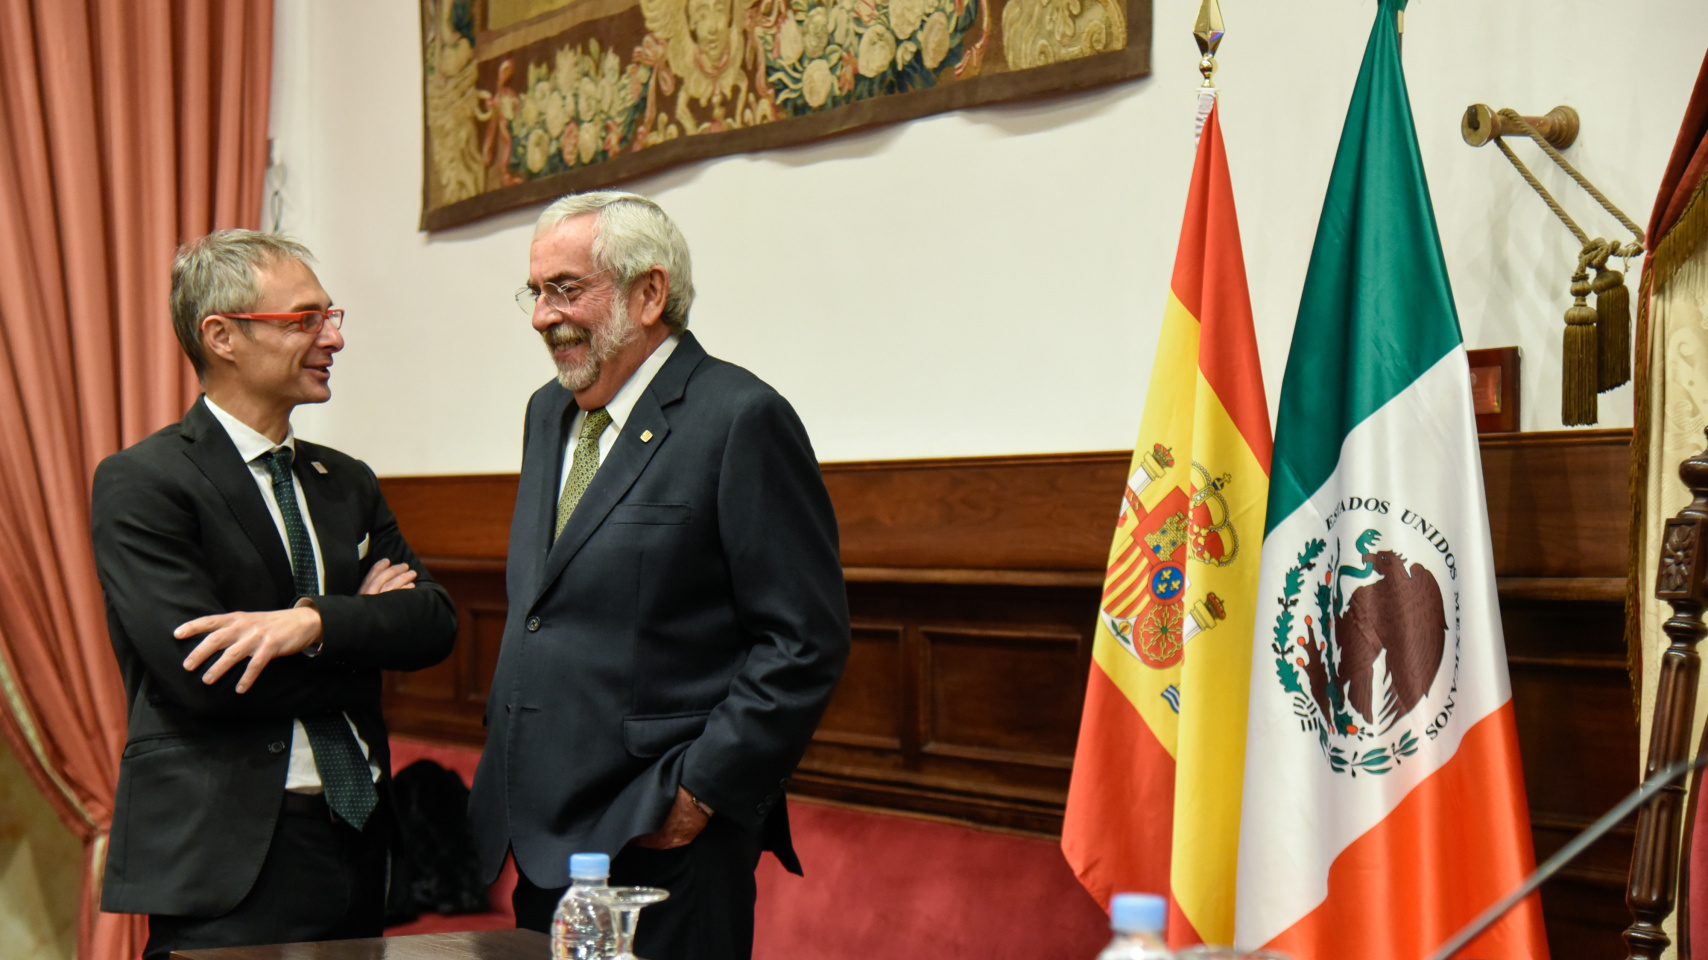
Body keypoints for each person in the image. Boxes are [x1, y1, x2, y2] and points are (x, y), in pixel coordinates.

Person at [468, 191, 850, 960]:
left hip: (660, 840)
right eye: (535, 292)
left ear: (649, 293)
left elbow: (804, 639)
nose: (543, 316)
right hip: (539, 835)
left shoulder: (739, 418)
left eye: (567, 289)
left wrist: (701, 790)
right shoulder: (549, 412)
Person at [91, 230, 458, 959]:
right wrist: (361, 626)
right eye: (304, 320)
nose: (333, 338)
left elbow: (434, 625)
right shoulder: (145, 483)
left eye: (331, 316)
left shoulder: (345, 480)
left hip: (358, 838)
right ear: (222, 336)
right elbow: (208, 680)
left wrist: (306, 625)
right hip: (227, 859)